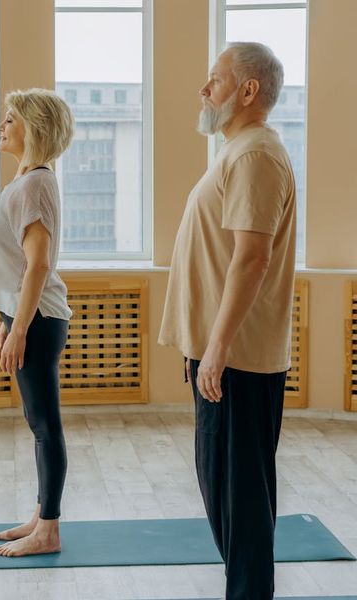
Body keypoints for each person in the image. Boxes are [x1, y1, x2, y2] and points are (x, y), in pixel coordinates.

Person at [158, 42, 296, 599]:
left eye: (214, 79)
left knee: (238, 499)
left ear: (247, 91)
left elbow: (252, 258)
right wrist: (199, 346)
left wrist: (216, 348)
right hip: (222, 356)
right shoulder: (240, 152)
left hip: (236, 359)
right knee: (226, 492)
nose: (203, 89)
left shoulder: (254, 156)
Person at [0, 88, 75, 558]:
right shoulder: (28, 180)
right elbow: (19, 265)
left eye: (10, 119)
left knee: (44, 425)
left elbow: (38, 266)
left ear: (32, 128)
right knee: (38, 423)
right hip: (28, 317)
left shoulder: (36, 183)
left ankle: (49, 530)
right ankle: (40, 516)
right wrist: (8, 319)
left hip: (39, 320)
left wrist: (19, 328)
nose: (2, 126)